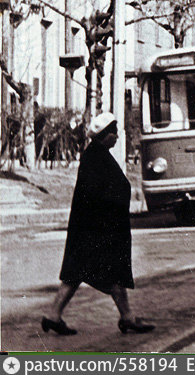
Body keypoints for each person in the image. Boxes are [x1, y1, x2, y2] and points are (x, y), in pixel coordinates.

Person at [42, 112, 154, 336]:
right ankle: (127, 317)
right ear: (105, 135)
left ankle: (54, 316)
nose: (117, 137)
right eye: (114, 133)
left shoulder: (96, 154)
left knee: (76, 274)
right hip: (96, 229)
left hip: (91, 228)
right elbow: (96, 194)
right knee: (108, 272)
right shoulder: (96, 157)